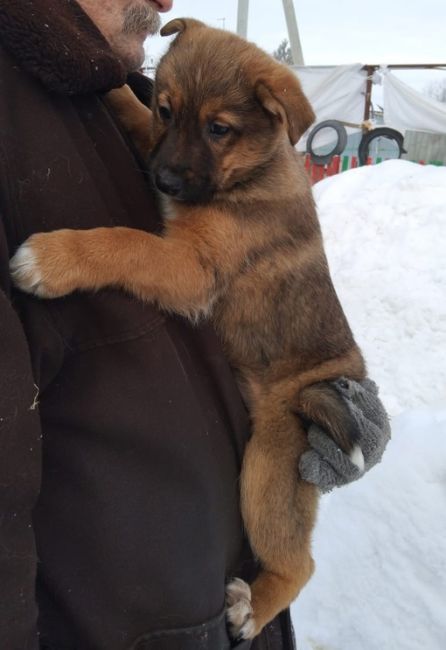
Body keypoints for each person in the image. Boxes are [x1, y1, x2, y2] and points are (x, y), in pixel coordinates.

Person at [0, 1, 390, 649]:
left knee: (276, 463)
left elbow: (232, 278)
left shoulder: (127, 92)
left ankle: (283, 576)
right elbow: (187, 271)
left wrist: (338, 380)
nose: (166, 2)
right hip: (129, 619)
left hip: (283, 396)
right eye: (167, 116)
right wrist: (84, 251)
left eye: (214, 130)